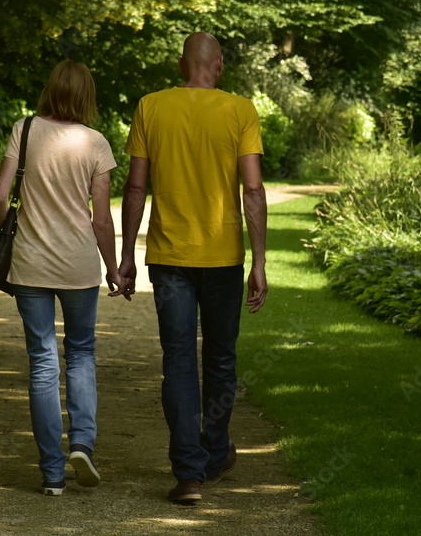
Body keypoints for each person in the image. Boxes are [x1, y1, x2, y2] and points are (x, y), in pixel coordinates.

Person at [117, 32, 268, 504]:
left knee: (179, 360)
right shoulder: (240, 110)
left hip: (169, 259)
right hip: (224, 257)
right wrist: (259, 261)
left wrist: (126, 255)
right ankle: (215, 452)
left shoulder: (150, 106)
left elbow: (136, 187)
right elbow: (253, 190)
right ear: (218, 66)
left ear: (182, 65)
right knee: (220, 359)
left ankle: (189, 474)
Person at [0, 59, 125, 496]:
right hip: (79, 266)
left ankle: (51, 473)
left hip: (30, 264)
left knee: (43, 362)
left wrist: (10, 234)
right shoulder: (96, 143)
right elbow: (101, 219)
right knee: (81, 353)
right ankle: (82, 444)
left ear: (50, 89)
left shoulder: (25, 129)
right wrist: (114, 268)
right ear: (87, 96)